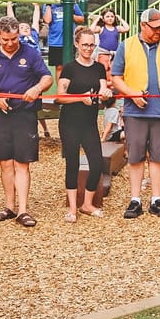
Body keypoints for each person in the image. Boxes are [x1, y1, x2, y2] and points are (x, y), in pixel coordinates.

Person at [111, 7, 160, 219]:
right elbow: (116, 77)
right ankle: (135, 199)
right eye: (154, 28)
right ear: (143, 26)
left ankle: (156, 198)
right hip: (136, 112)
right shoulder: (126, 46)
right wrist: (132, 94)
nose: (158, 32)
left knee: (158, 156)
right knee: (135, 157)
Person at [0, 15, 53, 228]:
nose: (11, 43)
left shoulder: (30, 53)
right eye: (6, 40)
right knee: (5, 162)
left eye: (14, 39)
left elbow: (47, 78)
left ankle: (23, 210)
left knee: (22, 162)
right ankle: (9, 207)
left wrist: (36, 88)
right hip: (1, 116)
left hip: (25, 115)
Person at [58, 26, 112, 222]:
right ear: (77, 45)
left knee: (96, 163)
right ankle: (72, 208)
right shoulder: (70, 68)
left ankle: (87, 204)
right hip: (70, 122)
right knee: (72, 163)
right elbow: (60, 98)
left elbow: (103, 91)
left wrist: (105, 95)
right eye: (85, 45)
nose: (88, 48)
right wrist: (81, 98)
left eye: (91, 45)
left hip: (89, 122)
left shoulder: (98, 68)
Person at [43, 0, 85, 81]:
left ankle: (71, 90)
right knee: (59, 67)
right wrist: (48, 4)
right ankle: (61, 92)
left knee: (70, 67)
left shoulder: (71, 3)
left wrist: (69, 12)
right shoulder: (47, 4)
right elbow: (47, 20)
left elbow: (81, 19)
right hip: (55, 41)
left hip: (69, 41)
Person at [92, 9, 130, 80]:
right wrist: (97, 19)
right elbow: (92, 29)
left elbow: (127, 28)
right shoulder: (101, 28)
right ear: (103, 18)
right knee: (103, 69)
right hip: (103, 53)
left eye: (112, 16)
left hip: (114, 54)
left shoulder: (116, 28)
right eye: (107, 16)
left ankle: (112, 85)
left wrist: (120, 19)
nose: (110, 18)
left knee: (114, 71)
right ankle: (104, 84)